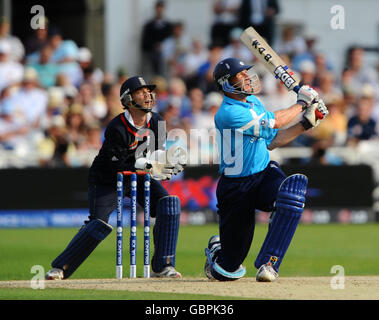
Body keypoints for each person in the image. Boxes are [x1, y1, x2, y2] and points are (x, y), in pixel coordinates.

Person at [45, 76, 185, 280]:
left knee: (169, 204)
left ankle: (163, 266)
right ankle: (61, 268)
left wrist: (163, 164)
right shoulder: (116, 127)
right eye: (141, 92)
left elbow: (156, 154)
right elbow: (115, 164)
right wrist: (143, 165)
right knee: (98, 222)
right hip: (107, 178)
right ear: (129, 99)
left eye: (149, 91)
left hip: (139, 177)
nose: (147, 95)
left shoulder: (157, 121)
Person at [204, 57, 328, 282]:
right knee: (227, 271)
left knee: (291, 195)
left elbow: (272, 141)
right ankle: (217, 251)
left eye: (246, 73)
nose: (246, 77)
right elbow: (276, 122)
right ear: (225, 84)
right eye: (239, 75)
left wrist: (306, 124)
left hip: (263, 175)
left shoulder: (254, 103)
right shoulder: (229, 113)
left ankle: (269, 264)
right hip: (235, 187)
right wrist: (301, 104)